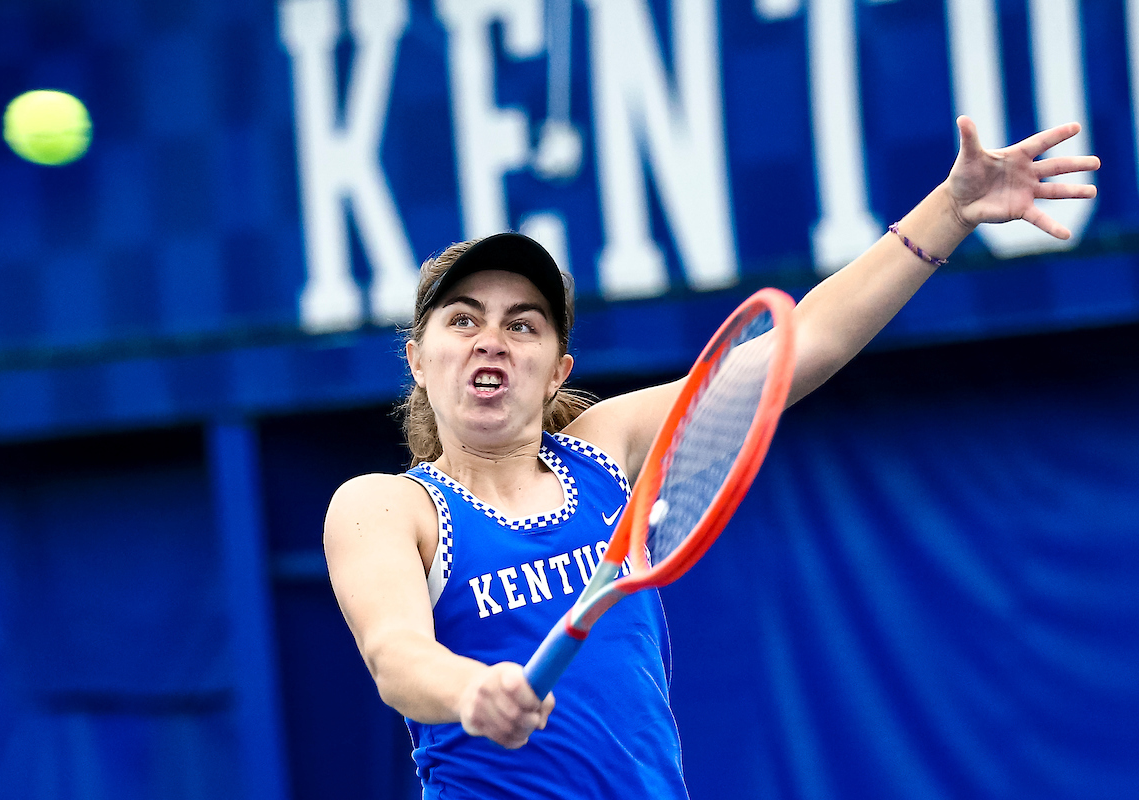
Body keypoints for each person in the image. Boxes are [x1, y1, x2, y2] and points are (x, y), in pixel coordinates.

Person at [323, 117, 1099, 798]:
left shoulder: (601, 453)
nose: (492, 339)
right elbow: (395, 654)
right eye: (464, 320)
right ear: (419, 358)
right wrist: (470, 690)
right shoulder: (386, 506)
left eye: (524, 325)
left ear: (559, 370)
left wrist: (953, 208)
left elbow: (807, 345)